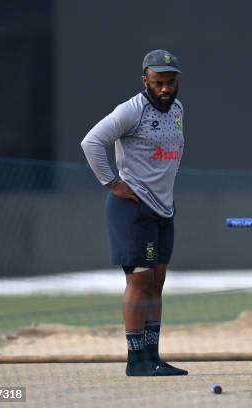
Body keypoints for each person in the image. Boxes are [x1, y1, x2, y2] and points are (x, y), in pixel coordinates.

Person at [81, 49, 187, 376]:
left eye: (170, 82)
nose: (165, 88)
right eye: (158, 83)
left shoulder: (178, 108)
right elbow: (91, 142)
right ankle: (135, 360)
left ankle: (153, 357)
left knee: (157, 283)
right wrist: (112, 183)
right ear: (145, 81)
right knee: (138, 284)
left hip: (163, 209)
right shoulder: (131, 111)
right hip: (133, 209)